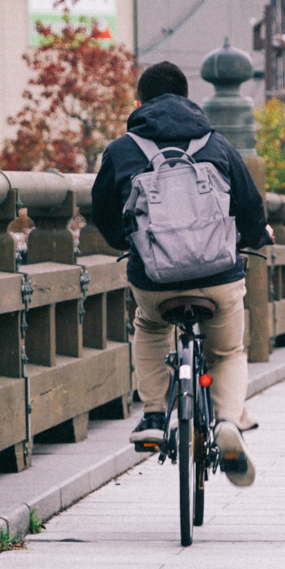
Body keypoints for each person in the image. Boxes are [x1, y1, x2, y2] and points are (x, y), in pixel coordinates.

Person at [89, 61, 271, 486]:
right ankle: (227, 420)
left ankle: (154, 413)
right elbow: (250, 208)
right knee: (227, 352)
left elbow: (102, 213)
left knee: (150, 328)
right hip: (219, 276)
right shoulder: (218, 145)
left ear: (139, 104)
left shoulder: (122, 149)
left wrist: (125, 243)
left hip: (153, 280)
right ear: (189, 100)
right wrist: (257, 237)